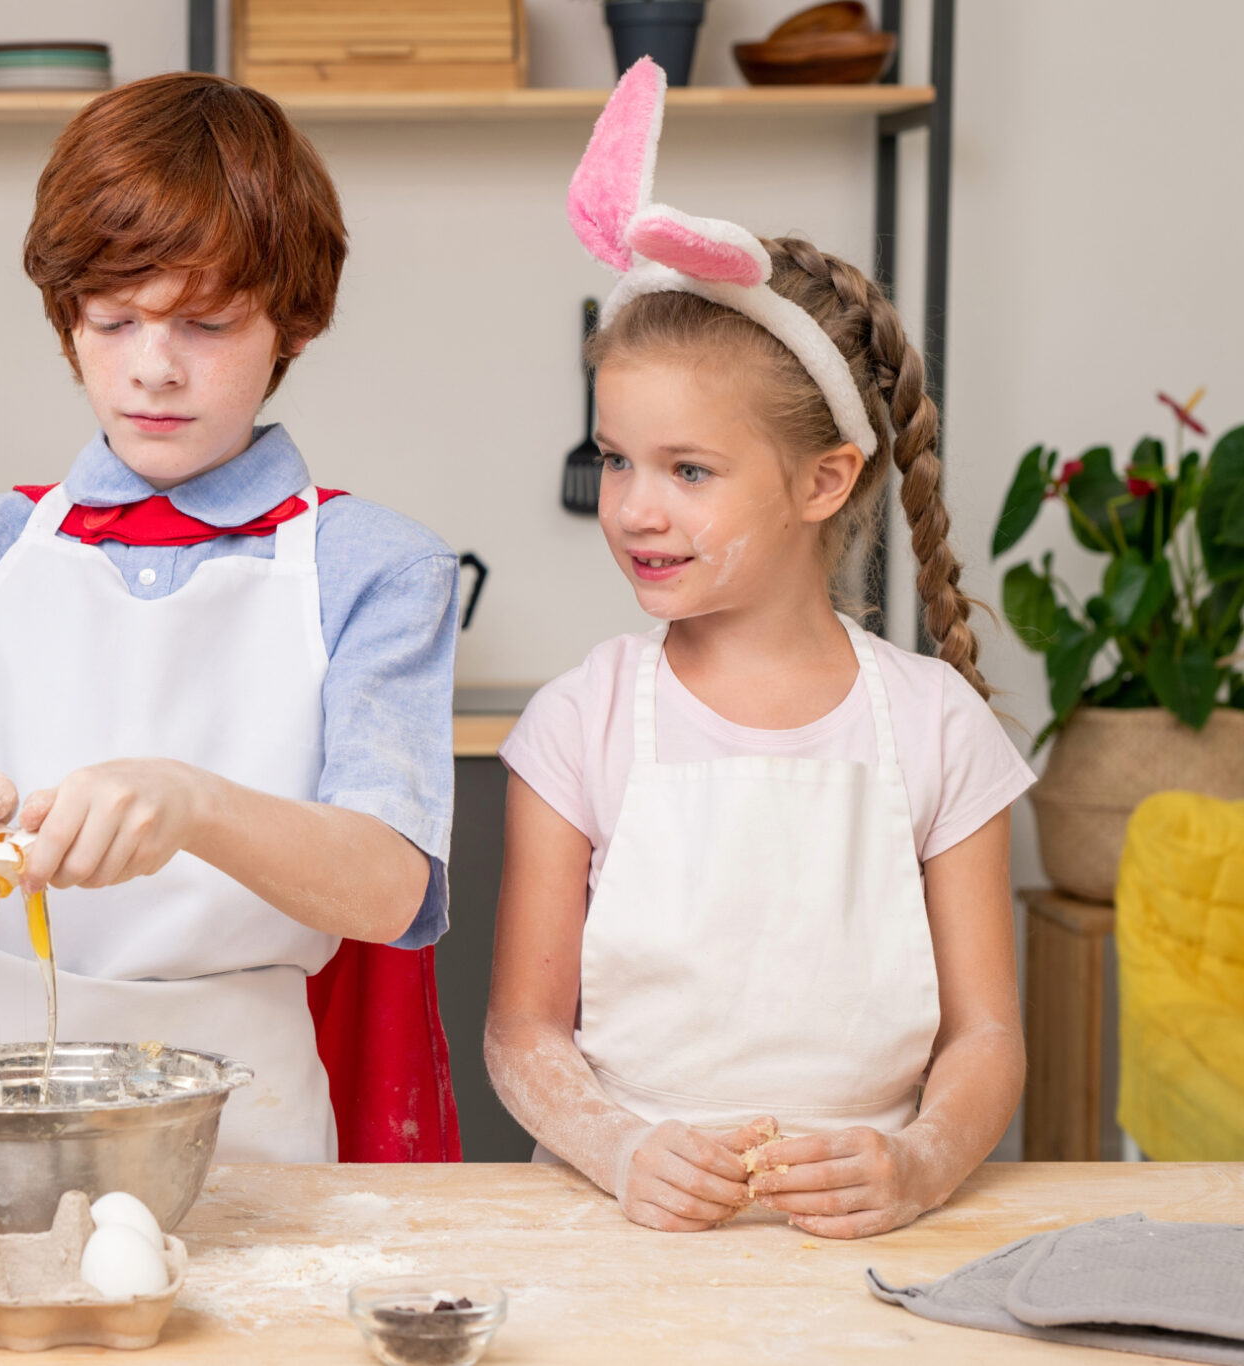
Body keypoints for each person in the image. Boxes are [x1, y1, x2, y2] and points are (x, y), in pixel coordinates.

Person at [0, 72, 461, 1164]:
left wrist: (195, 805)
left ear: (294, 324)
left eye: (207, 321)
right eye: (114, 318)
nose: (153, 366)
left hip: (248, 1125)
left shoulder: (373, 565)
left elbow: (389, 884)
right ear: (64, 317)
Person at [485, 61, 1031, 1238]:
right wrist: (619, 1148)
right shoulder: (581, 720)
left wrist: (923, 1161)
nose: (633, 507)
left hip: (863, 1230)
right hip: (618, 1218)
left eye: (687, 470)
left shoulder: (935, 725)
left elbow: (986, 1035)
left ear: (824, 480)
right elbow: (522, 1031)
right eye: (616, 459)